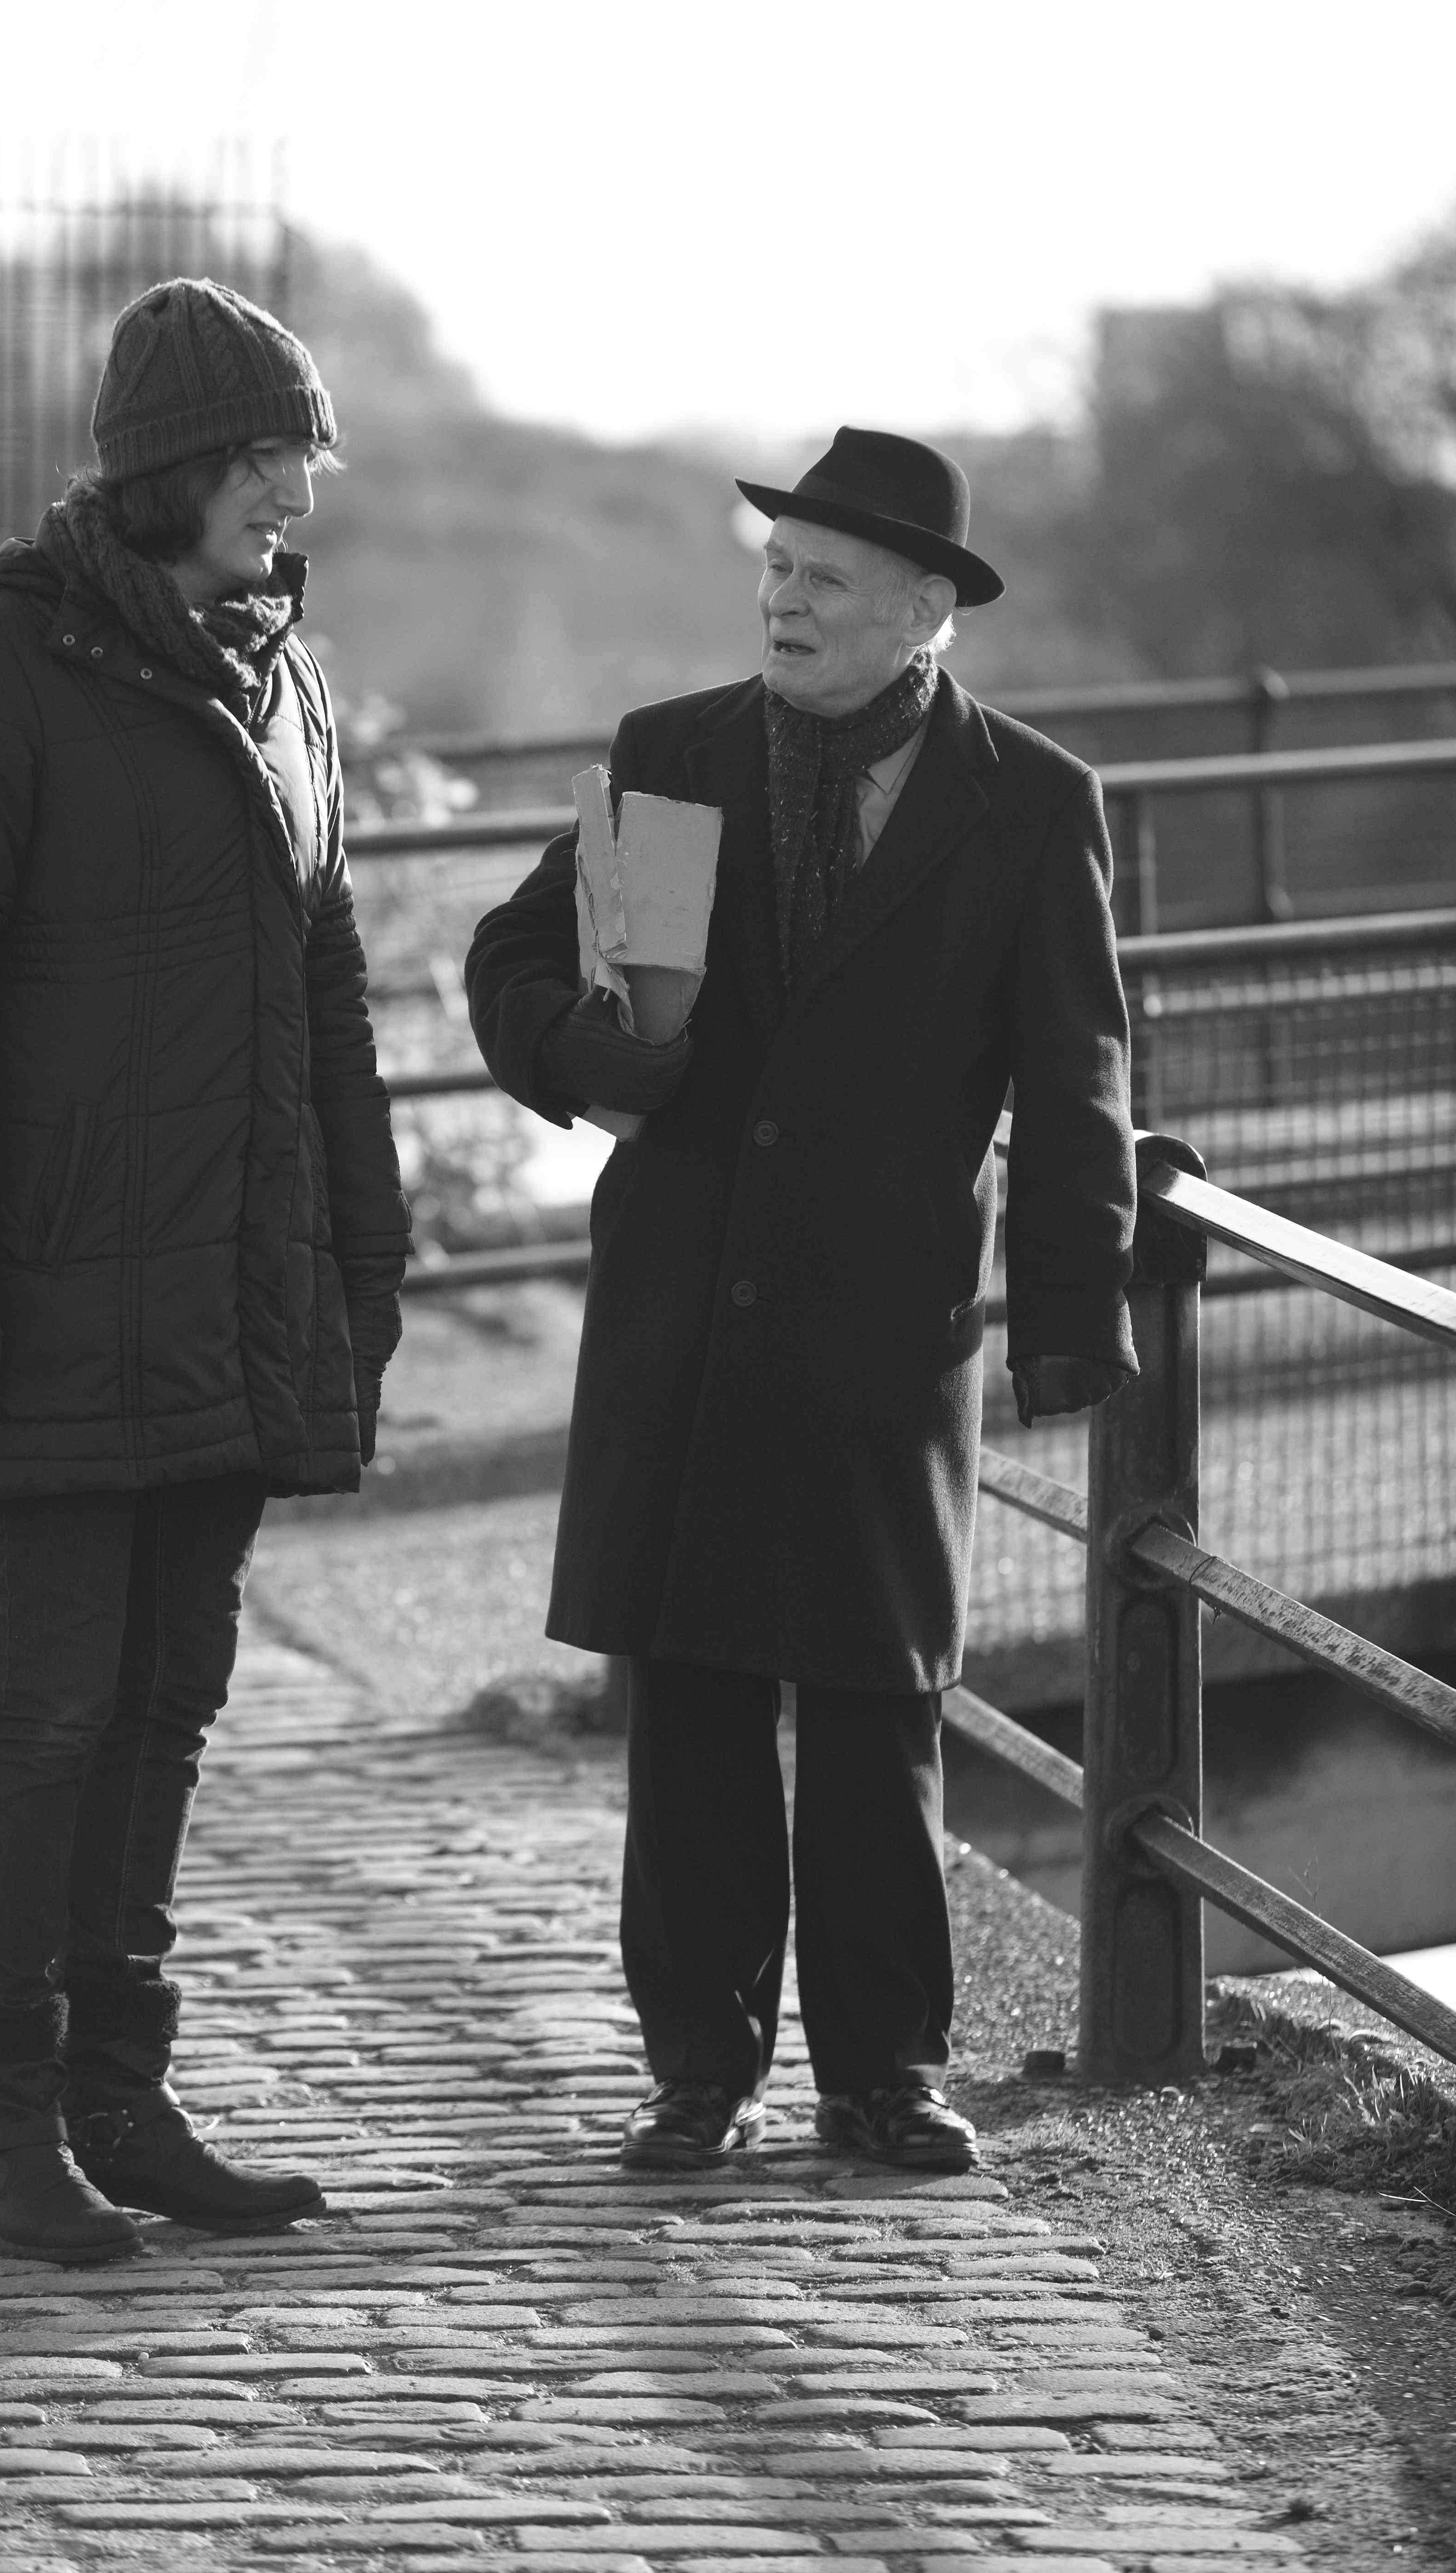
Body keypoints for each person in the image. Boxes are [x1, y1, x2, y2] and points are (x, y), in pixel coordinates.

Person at [465, 428, 1136, 2174]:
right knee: (688, 1703)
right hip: (686, 1299)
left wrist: (1073, 1315)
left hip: (886, 1325)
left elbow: (1080, 1088)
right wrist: (582, 1057)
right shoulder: (672, 756)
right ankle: (699, 2070)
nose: (785, 599)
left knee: (873, 1705)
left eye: (825, 579)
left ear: (926, 613)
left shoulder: (1032, 803)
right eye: (773, 569)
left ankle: (885, 2074)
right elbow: (514, 957)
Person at [0, 278, 411, 2262]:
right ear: (180, 467)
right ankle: (2, 2128)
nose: (297, 492)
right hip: (66, 1277)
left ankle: (117, 2093)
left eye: (307, 461)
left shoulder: (280, 678)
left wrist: (371, 1242)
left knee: (174, 1690)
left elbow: (325, 981)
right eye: (270, 459)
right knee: (60, 1696)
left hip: (243, 1280)